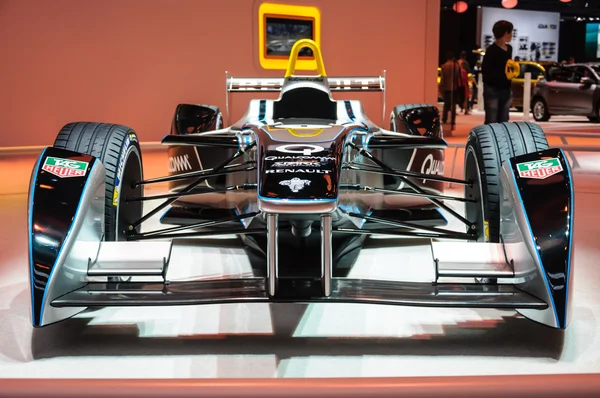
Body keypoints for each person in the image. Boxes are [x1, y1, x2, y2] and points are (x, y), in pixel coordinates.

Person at [482, 20, 514, 124]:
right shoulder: (491, 50)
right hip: (492, 89)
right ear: (505, 33)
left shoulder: (509, 49)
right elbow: (486, 71)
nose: (511, 35)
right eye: (510, 32)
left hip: (506, 88)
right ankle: (490, 139)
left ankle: (501, 139)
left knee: (504, 119)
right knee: (492, 118)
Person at [440, 51, 460, 125]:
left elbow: (442, 79)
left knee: (446, 104)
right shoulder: (456, 66)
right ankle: (453, 119)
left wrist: (441, 88)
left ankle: (444, 118)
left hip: (446, 87)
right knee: (453, 104)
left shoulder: (444, 66)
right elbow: (458, 77)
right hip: (454, 87)